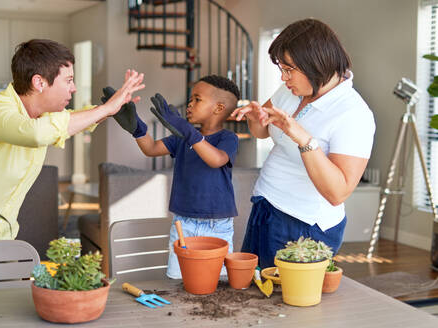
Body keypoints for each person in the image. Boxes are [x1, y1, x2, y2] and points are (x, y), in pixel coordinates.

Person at [0, 39, 145, 240]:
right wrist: (106, 109)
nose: (74, 88)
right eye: (68, 80)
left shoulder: (41, 117)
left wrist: (111, 110)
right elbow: (36, 133)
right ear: (39, 82)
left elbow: (70, 120)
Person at [231, 18, 376, 269]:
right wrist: (256, 118)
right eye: (281, 69)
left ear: (316, 64)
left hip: (302, 224)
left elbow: (337, 192)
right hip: (265, 207)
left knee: (284, 304)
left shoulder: (354, 114)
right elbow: (263, 132)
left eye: (289, 69)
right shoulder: (290, 90)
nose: (284, 78)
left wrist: (303, 138)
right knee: (252, 295)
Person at [103, 75, 240, 278]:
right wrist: (137, 129)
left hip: (217, 226)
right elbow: (150, 148)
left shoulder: (227, 138)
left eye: (197, 99)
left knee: (217, 283)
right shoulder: (182, 137)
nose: (189, 104)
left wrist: (189, 134)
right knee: (177, 279)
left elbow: (216, 160)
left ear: (218, 108)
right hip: (182, 224)